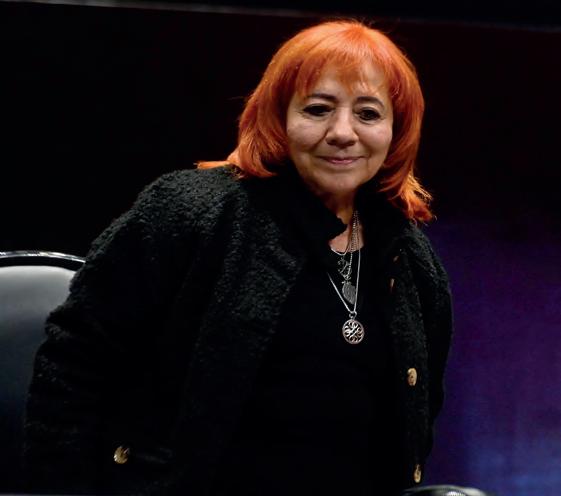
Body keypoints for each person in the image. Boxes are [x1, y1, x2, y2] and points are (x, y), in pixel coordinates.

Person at [24, 19, 453, 496]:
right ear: (278, 117)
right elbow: (74, 364)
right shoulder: (190, 211)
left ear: (397, 130)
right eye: (317, 109)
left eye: (368, 114)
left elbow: (417, 419)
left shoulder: (410, 256)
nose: (342, 133)